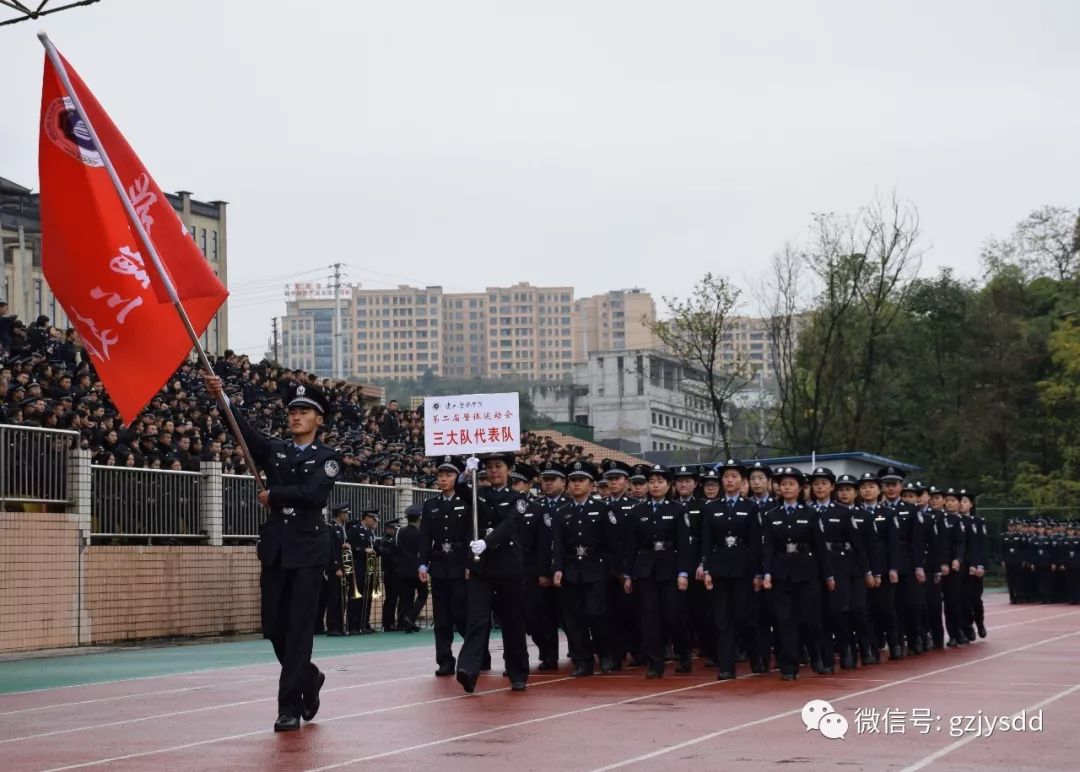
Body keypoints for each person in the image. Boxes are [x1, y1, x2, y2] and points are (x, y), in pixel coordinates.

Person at [204, 374, 338, 732]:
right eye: (293, 411)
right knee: (275, 627)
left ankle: (289, 706)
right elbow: (244, 433)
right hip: (277, 550)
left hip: (308, 552)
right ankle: (308, 677)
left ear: (318, 419)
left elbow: (313, 494)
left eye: (305, 411)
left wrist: (274, 496)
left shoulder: (328, 458)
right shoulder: (276, 450)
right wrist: (223, 399)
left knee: (298, 631)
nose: (296, 416)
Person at [455, 452, 530, 693]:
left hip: (507, 565)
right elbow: (461, 490)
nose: (493, 471)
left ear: (509, 470)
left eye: (498, 466)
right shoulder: (480, 494)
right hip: (482, 566)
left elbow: (510, 524)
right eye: (488, 467)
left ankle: (518, 672)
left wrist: (488, 542)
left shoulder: (518, 498)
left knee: (512, 620)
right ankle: (468, 669)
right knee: (476, 618)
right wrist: (465, 473)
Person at [761, 467, 834, 681]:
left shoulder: (811, 514)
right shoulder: (771, 515)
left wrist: (828, 575)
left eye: (791, 484)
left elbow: (820, 548)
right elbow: (768, 548)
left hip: (807, 572)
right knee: (785, 621)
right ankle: (788, 665)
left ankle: (816, 653)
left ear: (801, 488)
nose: (786, 488)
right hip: (781, 573)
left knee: (810, 620)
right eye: (783, 484)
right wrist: (767, 573)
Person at [552, 460, 621, 676]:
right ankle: (582, 660)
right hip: (572, 569)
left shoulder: (602, 509)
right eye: (573, 481)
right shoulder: (562, 512)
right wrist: (557, 568)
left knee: (596, 613)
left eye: (581, 481)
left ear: (591, 485)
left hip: (596, 569)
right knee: (574, 618)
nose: (576, 485)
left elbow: (613, 543)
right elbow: (558, 544)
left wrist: (615, 571)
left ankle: (606, 654)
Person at [626, 464, 692, 678]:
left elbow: (684, 544)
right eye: (651, 482)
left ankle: (683, 652)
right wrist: (629, 574)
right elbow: (631, 545)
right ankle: (655, 662)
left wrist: (683, 573)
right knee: (649, 616)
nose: (655, 486)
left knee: (673, 616)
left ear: (668, 485)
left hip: (670, 568)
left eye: (660, 482)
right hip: (645, 570)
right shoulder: (638, 511)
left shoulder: (678, 510)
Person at [701, 459, 762, 679]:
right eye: (726, 477)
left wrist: (757, 573)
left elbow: (755, 543)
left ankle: (756, 656)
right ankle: (726, 666)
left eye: (734, 476)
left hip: (743, 568)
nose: (729, 481)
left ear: (742, 481)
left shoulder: (751, 507)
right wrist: (707, 569)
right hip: (719, 568)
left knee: (745, 617)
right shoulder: (712, 508)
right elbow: (706, 541)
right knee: (723, 618)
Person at [418, 456, 471, 676]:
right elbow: (424, 536)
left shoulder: (466, 501)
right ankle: (445, 660)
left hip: (460, 564)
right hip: (439, 565)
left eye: (449, 475)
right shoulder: (431, 505)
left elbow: (471, 534)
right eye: (441, 475)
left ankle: (475, 655)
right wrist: (422, 563)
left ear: (458, 477)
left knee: (462, 614)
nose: (443, 479)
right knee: (442, 618)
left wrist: (470, 563)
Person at [511, 462, 559, 669]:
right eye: (512, 482)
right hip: (510, 568)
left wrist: (543, 572)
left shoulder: (538, 509)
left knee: (537, 616)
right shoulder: (505, 506)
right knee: (513, 618)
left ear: (529, 484)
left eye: (519, 482)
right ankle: (515, 660)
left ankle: (549, 653)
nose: (515, 486)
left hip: (532, 568)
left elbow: (543, 544)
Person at [326, 502, 355, 636]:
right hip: (335, 568)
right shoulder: (331, 528)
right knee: (334, 598)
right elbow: (331, 550)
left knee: (341, 597)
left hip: (344, 566)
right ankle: (333, 627)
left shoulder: (341, 528)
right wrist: (336, 567)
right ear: (340, 514)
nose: (347, 516)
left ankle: (339, 625)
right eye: (345, 513)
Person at [394, 506, 424, 632]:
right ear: (419, 518)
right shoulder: (421, 533)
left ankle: (407, 623)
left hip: (402, 570)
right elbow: (422, 552)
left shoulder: (400, 532)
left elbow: (397, 549)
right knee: (423, 594)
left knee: (407, 597)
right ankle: (411, 617)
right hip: (417, 569)